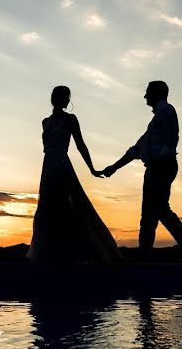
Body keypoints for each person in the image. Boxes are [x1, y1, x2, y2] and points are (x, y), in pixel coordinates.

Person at [27, 86, 121, 263]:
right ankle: (48, 253)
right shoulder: (44, 122)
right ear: (53, 98)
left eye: (65, 97)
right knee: (47, 209)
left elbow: (80, 145)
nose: (63, 100)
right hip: (47, 167)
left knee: (68, 207)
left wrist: (92, 169)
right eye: (60, 96)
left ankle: (76, 251)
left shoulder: (70, 119)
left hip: (62, 166)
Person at [100, 81, 182, 253]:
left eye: (147, 93)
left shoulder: (166, 112)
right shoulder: (157, 119)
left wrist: (161, 162)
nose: (145, 97)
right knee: (153, 212)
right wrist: (114, 167)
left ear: (157, 93)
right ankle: (149, 251)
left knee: (158, 210)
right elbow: (137, 148)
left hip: (160, 167)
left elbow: (170, 140)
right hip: (158, 167)